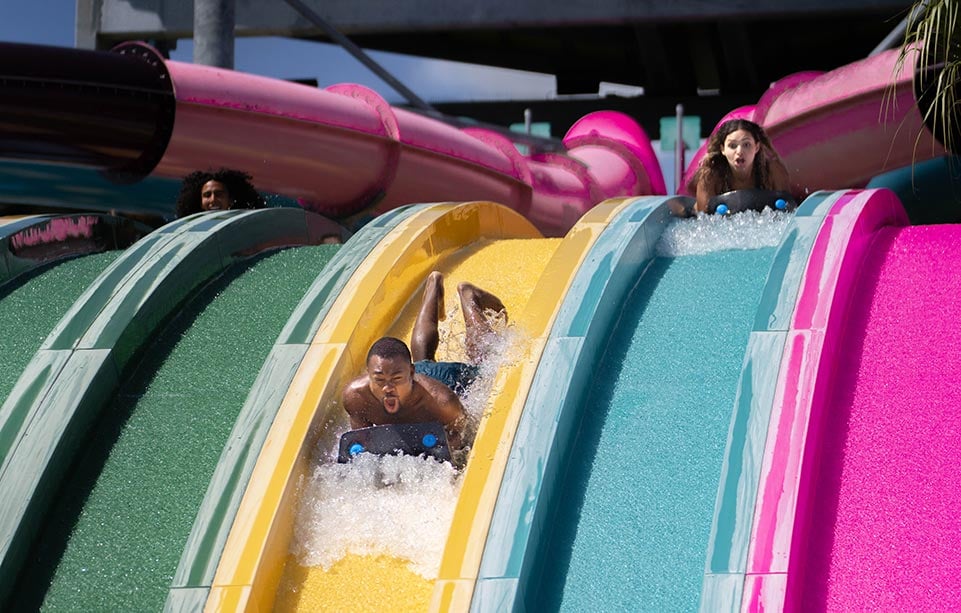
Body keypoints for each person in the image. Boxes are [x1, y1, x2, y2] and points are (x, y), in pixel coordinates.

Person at [341, 271, 507, 450]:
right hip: (416, 374)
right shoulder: (355, 397)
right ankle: (433, 285)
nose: (387, 388)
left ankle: (469, 296)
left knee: (485, 362)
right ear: (368, 375)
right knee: (422, 358)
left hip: (448, 379)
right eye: (379, 380)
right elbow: (364, 446)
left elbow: (460, 444)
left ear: (412, 373)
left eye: (396, 380)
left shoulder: (442, 401)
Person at [687, 118, 790, 214]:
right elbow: (703, 221)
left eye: (746, 145)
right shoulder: (709, 176)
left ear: (757, 147)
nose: (740, 151)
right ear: (723, 149)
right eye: (732, 146)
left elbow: (787, 212)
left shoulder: (772, 171)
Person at [174, 168, 266, 218]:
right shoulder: (190, 229)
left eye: (219, 194)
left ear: (230, 201)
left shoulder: (244, 224)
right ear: (200, 203)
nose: (213, 199)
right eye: (207, 195)